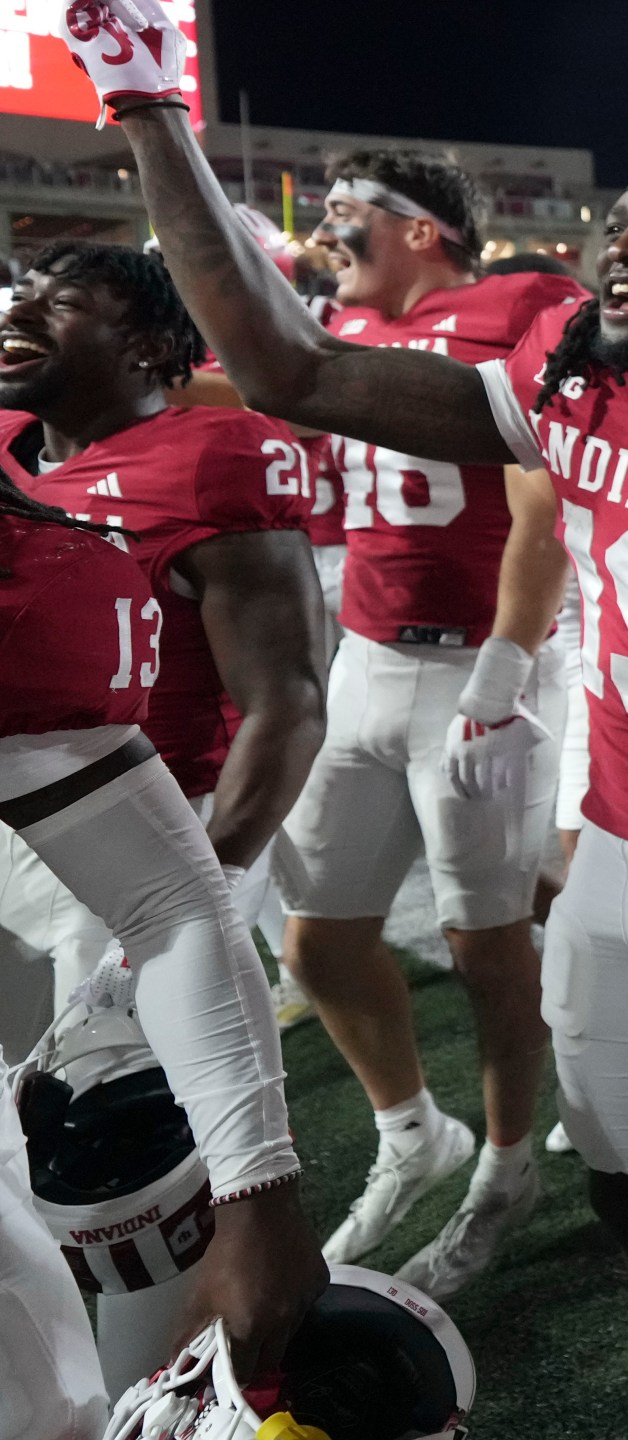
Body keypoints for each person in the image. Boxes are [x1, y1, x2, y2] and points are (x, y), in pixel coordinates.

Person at [81, 20, 628, 1436]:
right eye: (619, 224)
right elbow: (294, 370)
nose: (623, 247)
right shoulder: (570, 382)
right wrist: (145, 108)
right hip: (618, 855)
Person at [260, 148, 588, 1297]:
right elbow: (232, 379)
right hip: (367, 660)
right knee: (320, 937)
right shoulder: (331, 342)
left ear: (421, 231)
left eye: (347, 212)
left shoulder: (519, 305)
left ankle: (507, 1166)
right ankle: (414, 1136)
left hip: (476, 671)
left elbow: (542, 492)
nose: (326, 231)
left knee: (486, 947)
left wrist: (506, 668)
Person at [0, 240, 329, 1382]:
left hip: (137, 828)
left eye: (60, 300)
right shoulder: (7, 459)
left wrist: (215, 878)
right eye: (18, 291)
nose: (20, 308)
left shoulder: (207, 458)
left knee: (118, 1195)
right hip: (22, 846)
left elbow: (287, 703)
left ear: (144, 344)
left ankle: (160, 1392)